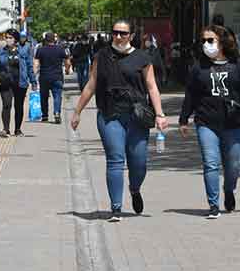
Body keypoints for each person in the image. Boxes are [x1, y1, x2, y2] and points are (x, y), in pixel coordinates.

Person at [71, 20, 168, 222]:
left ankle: (135, 189)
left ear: (131, 36)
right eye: (115, 32)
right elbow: (91, 84)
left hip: (137, 116)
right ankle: (116, 208)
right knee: (115, 159)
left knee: (138, 163)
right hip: (110, 115)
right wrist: (77, 111)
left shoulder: (142, 58)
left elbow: (151, 87)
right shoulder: (102, 56)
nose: (118, 36)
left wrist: (160, 114)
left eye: (123, 33)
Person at [179, 24, 240, 219]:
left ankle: (229, 190)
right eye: (203, 41)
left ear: (221, 42)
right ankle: (213, 205)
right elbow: (190, 95)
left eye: (210, 40)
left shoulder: (238, 65)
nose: (206, 44)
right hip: (206, 122)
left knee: (233, 165)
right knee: (211, 163)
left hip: (233, 122)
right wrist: (184, 119)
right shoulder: (198, 67)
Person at [0, 29, 37, 137]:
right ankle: (5, 129)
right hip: (5, 82)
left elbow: (30, 67)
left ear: (16, 40)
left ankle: (17, 129)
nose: (7, 40)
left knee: (19, 106)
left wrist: (33, 81)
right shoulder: (1, 52)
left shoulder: (23, 51)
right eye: (6, 37)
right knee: (6, 105)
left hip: (20, 82)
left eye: (10, 38)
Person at [35, 32, 71, 124]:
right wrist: (67, 70)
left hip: (44, 77)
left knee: (44, 97)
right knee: (57, 96)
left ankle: (45, 115)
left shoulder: (40, 50)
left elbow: (36, 64)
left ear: (45, 40)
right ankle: (57, 113)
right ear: (54, 40)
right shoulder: (60, 49)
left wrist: (34, 76)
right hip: (57, 77)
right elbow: (67, 61)